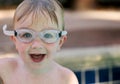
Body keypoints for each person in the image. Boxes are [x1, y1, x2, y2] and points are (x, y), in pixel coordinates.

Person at [1, 0, 79, 84]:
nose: (36, 45)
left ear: (60, 42)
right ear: (15, 40)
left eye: (48, 35)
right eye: (27, 35)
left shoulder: (66, 79)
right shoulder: (4, 70)